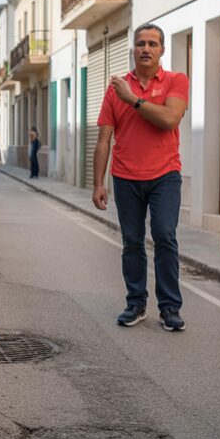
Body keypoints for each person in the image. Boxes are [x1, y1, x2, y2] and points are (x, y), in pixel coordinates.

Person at [92, 23, 189, 331]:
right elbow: (104, 138)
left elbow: (169, 119)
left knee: (164, 235)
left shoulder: (176, 81)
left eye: (152, 43)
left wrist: (132, 98)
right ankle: (135, 303)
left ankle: (170, 307)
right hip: (125, 177)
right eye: (140, 43)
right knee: (132, 241)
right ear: (132, 49)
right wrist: (98, 183)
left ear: (162, 50)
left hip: (165, 175)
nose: (146, 48)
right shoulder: (114, 89)